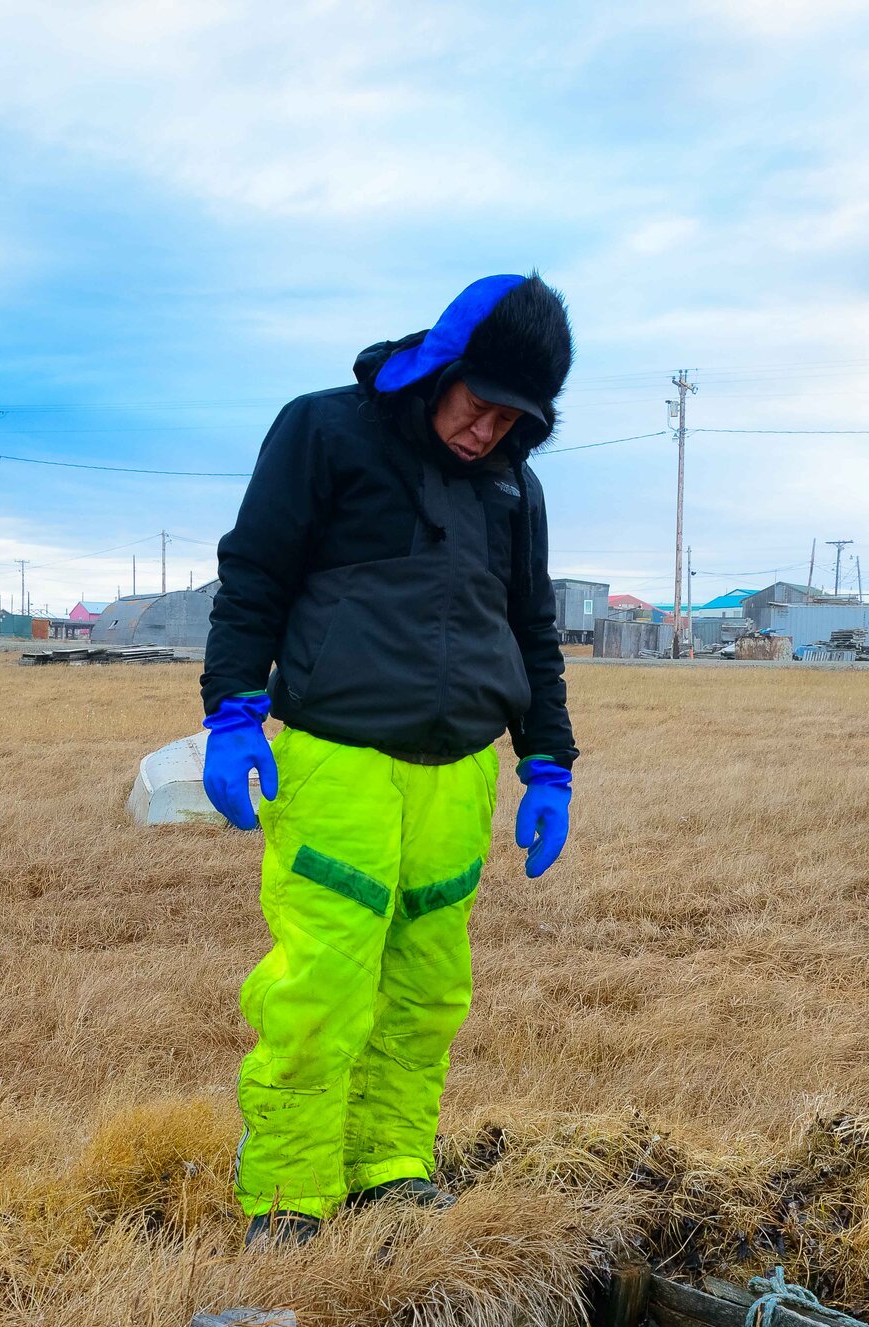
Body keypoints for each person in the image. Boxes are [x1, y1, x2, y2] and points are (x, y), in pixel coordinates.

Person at [199, 273, 579, 1248]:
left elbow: (531, 627)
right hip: (339, 763)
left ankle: (392, 1171)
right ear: (439, 367)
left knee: (426, 990)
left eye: (512, 419)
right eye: (479, 403)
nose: (486, 430)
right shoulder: (323, 432)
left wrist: (547, 763)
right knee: (324, 983)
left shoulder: (511, 488)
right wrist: (234, 711)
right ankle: (286, 1199)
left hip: (460, 776)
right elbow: (255, 575)